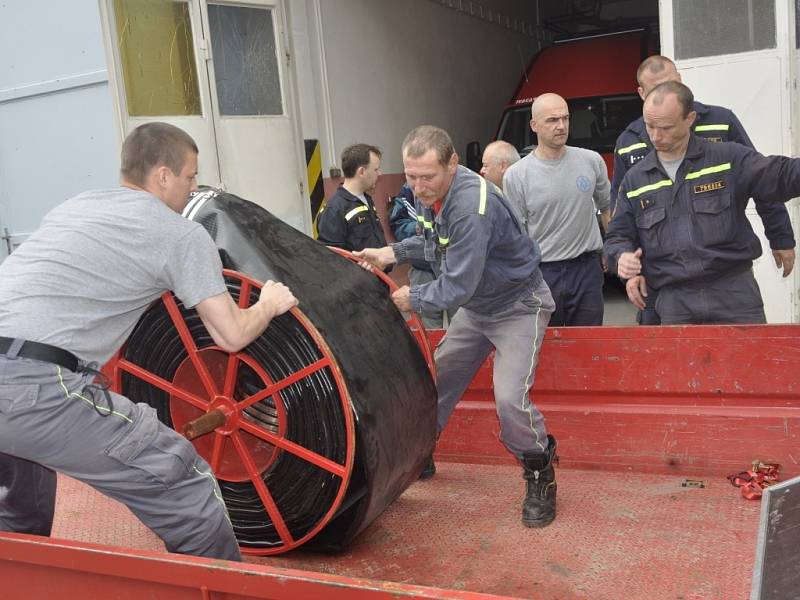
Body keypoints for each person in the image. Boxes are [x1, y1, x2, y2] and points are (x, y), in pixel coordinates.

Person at [0, 122, 298, 561]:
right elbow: (231, 335)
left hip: (17, 382)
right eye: (190, 177)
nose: (193, 187)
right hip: (38, 390)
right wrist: (269, 303)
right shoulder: (178, 233)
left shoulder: (74, 207)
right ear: (162, 176)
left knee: (19, 499)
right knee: (181, 478)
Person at [355, 126, 558, 528]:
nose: (417, 186)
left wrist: (413, 298)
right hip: (478, 306)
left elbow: (458, 283)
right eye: (410, 176)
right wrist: (390, 252)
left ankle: (539, 471)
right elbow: (435, 243)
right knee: (434, 381)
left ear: (453, 164)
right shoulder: (434, 194)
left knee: (509, 400)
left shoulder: (470, 207)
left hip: (518, 306)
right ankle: (420, 452)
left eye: (426, 176)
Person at [611, 55, 795, 324]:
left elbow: (772, 177)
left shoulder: (724, 147)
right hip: (672, 294)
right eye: (651, 127)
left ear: (689, 119)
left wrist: (780, 237)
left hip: (732, 290)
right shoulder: (632, 159)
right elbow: (620, 227)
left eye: (666, 127)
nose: (656, 137)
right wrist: (624, 261)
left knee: (746, 364)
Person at [504, 93, 610, 326]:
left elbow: (606, 205)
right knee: (546, 347)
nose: (561, 126)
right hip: (542, 273)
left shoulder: (591, 161)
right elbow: (516, 235)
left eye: (565, 118)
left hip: (587, 271)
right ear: (534, 125)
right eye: (552, 120)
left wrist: (611, 247)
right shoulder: (517, 175)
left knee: (588, 346)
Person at [389, 183, 449, 329]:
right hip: (423, 269)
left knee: (462, 323)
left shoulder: (451, 187)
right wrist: (416, 229)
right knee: (429, 327)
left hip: (452, 270)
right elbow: (398, 223)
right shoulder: (408, 190)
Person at [316, 143, 387, 251]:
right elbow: (331, 258)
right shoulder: (334, 210)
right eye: (376, 170)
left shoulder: (366, 199)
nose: (380, 174)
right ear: (362, 172)